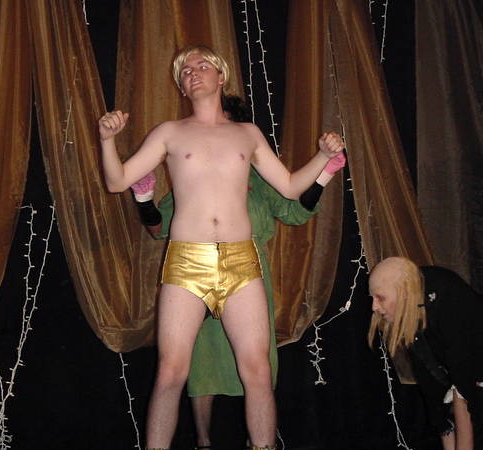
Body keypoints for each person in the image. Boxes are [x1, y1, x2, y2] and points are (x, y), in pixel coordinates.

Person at [99, 45, 344, 449]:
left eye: (202, 65)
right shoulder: (169, 132)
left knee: (258, 371)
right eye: (185, 71)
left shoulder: (247, 134)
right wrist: (107, 140)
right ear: (181, 87)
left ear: (221, 76)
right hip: (187, 259)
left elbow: (289, 187)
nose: (193, 73)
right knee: (171, 372)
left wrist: (322, 156)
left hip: (241, 259)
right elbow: (116, 181)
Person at [368, 257, 483, 449]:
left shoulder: (448, 299)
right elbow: (432, 389)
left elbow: (464, 386)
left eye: (380, 298)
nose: (374, 307)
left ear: (403, 292)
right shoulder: (412, 312)